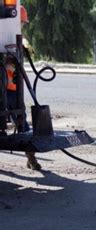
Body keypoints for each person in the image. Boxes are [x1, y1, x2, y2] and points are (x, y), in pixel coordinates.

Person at [5, 5, 41, 170]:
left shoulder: (18, 38)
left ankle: (30, 158)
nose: (22, 26)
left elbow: (28, 51)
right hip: (6, 89)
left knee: (22, 124)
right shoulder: (4, 37)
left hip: (12, 89)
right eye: (21, 23)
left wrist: (23, 50)